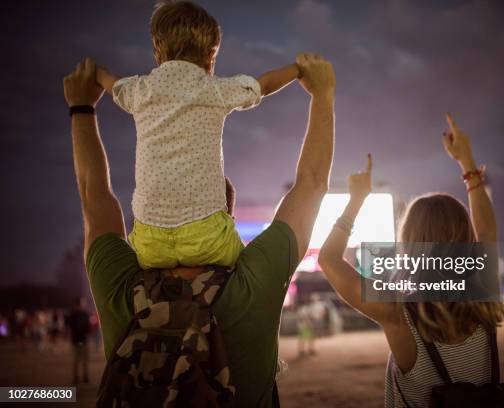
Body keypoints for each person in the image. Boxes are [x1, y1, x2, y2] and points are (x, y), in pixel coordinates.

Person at [63, 52, 335, 406]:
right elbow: (312, 184)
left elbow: (93, 195)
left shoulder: (121, 287)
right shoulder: (252, 286)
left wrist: (81, 109)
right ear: (225, 218)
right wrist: (323, 94)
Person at [94, 0, 302, 270]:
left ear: (157, 51)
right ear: (210, 56)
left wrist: (95, 73)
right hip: (206, 238)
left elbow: (112, 84)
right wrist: (298, 69)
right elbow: (262, 85)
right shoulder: (212, 89)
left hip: (149, 243)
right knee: (248, 271)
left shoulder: (140, 90)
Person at [318, 115, 504, 407]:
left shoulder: (398, 313)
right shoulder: (484, 294)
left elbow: (329, 260)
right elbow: (488, 231)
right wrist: (467, 164)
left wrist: (355, 201)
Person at [65, 298, 91, 384]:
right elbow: (88, 327)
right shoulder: (83, 314)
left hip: (76, 339)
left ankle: (79, 378)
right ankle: (84, 377)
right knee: (82, 360)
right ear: (80, 304)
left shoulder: (73, 314)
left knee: (78, 360)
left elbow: (67, 325)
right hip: (81, 339)